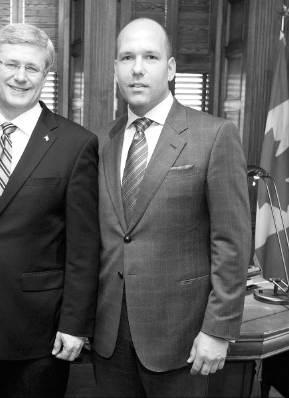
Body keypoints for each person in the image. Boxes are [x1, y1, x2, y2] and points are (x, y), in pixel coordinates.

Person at [0, 23, 99, 397]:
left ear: (46, 75)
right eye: (11, 64)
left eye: (33, 68)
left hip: (38, 334)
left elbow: (83, 249)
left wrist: (75, 324)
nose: (20, 77)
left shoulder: (75, 144)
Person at [91, 18, 251, 397]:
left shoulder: (213, 136)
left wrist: (218, 329)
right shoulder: (98, 142)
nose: (137, 68)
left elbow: (231, 242)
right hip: (109, 337)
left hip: (183, 340)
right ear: (115, 69)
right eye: (127, 57)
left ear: (172, 67)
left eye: (150, 56)